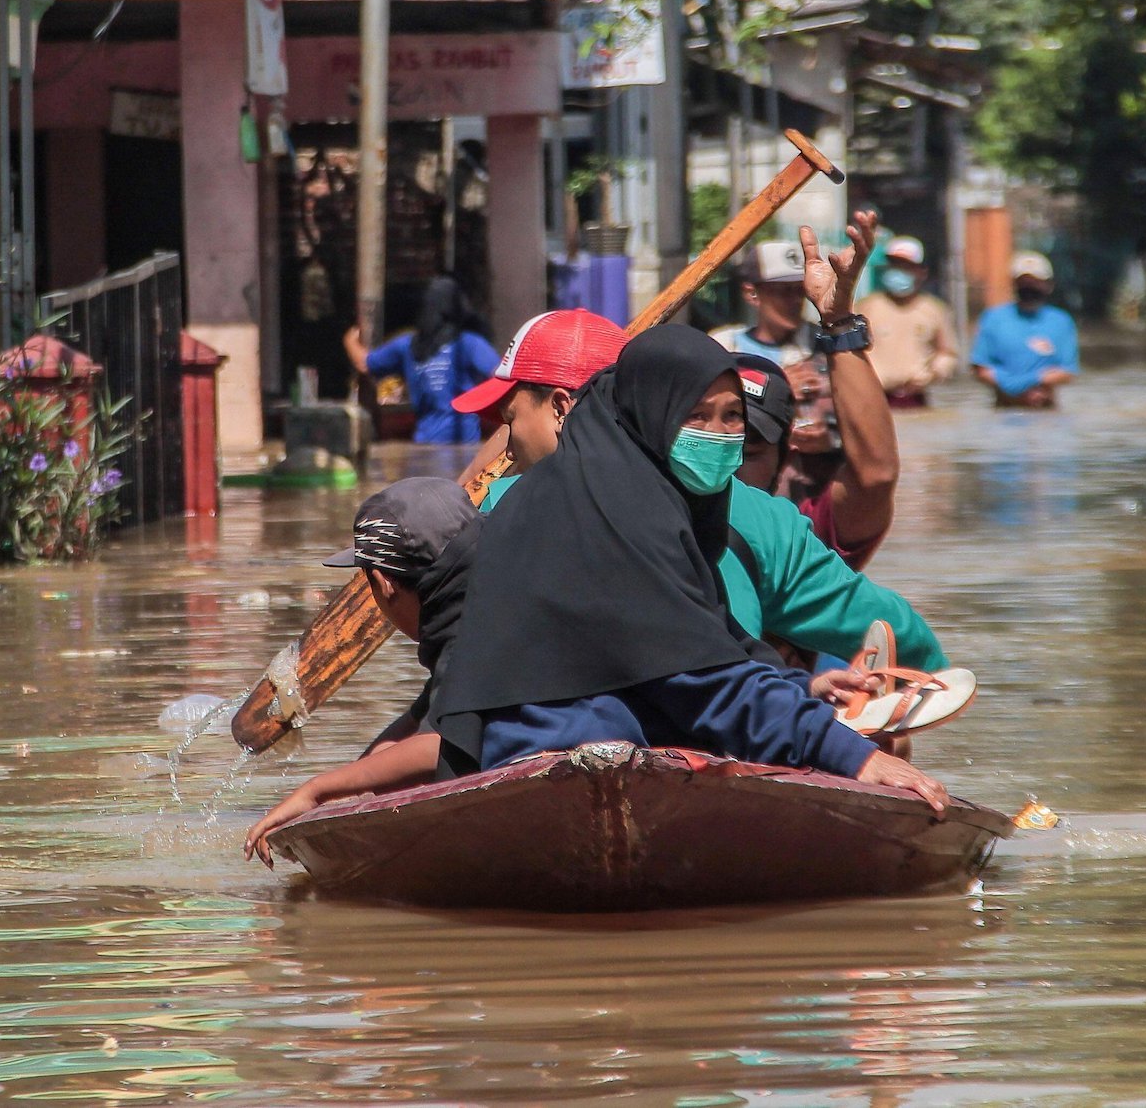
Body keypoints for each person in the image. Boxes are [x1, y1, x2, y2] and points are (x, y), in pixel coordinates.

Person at [428, 327, 946, 810]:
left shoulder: (650, 499)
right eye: (694, 416)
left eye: (731, 417)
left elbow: (705, 640)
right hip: (555, 753)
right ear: (650, 416)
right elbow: (696, 675)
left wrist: (803, 690)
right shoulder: (609, 510)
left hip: (628, 732)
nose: (718, 436)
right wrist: (854, 756)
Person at [243, 479, 476, 861]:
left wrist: (318, 791)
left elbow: (445, 742)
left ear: (383, 584)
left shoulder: (469, 634)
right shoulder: (481, 599)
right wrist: (349, 792)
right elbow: (421, 722)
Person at [729, 215, 900, 567]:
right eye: (781, 291)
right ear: (753, 293)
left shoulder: (804, 537)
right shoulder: (720, 347)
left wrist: (838, 324)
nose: (793, 301)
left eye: (798, 290)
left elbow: (872, 455)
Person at [451, 308, 629, 493]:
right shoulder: (649, 489)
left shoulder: (527, 512)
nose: (509, 453)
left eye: (511, 422)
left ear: (560, 409)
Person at [343, 277, 501, 444]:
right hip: (465, 447)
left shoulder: (406, 346)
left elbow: (364, 363)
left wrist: (349, 340)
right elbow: (501, 376)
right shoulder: (468, 344)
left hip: (425, 446)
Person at [971, 251, 1080, 409]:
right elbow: (980, 367)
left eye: (1035, 282)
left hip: (1045, 411)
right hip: (1003, 409)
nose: (1029, 287)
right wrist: (1010, 386)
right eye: (1024, 282)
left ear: (1048, 284)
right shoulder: (993, 319)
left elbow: (1067, 371)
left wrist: (1031, 381)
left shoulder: (1061, 321)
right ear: (1014, 284)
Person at [863, 235, 960, 407]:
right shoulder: (867, 307)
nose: (899, 271)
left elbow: (947, 352)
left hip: (915, 398)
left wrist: (932, 373)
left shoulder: (934, 309)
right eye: (894, 265)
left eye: (906, 267)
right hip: (873, 395)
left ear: (922, 272)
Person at [711, 240, 815, 368]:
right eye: (784, 290)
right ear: (751, 293)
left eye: (801, 289)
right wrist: (779, 386)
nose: (796, 299)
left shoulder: (821, 344)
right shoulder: (723, 345)